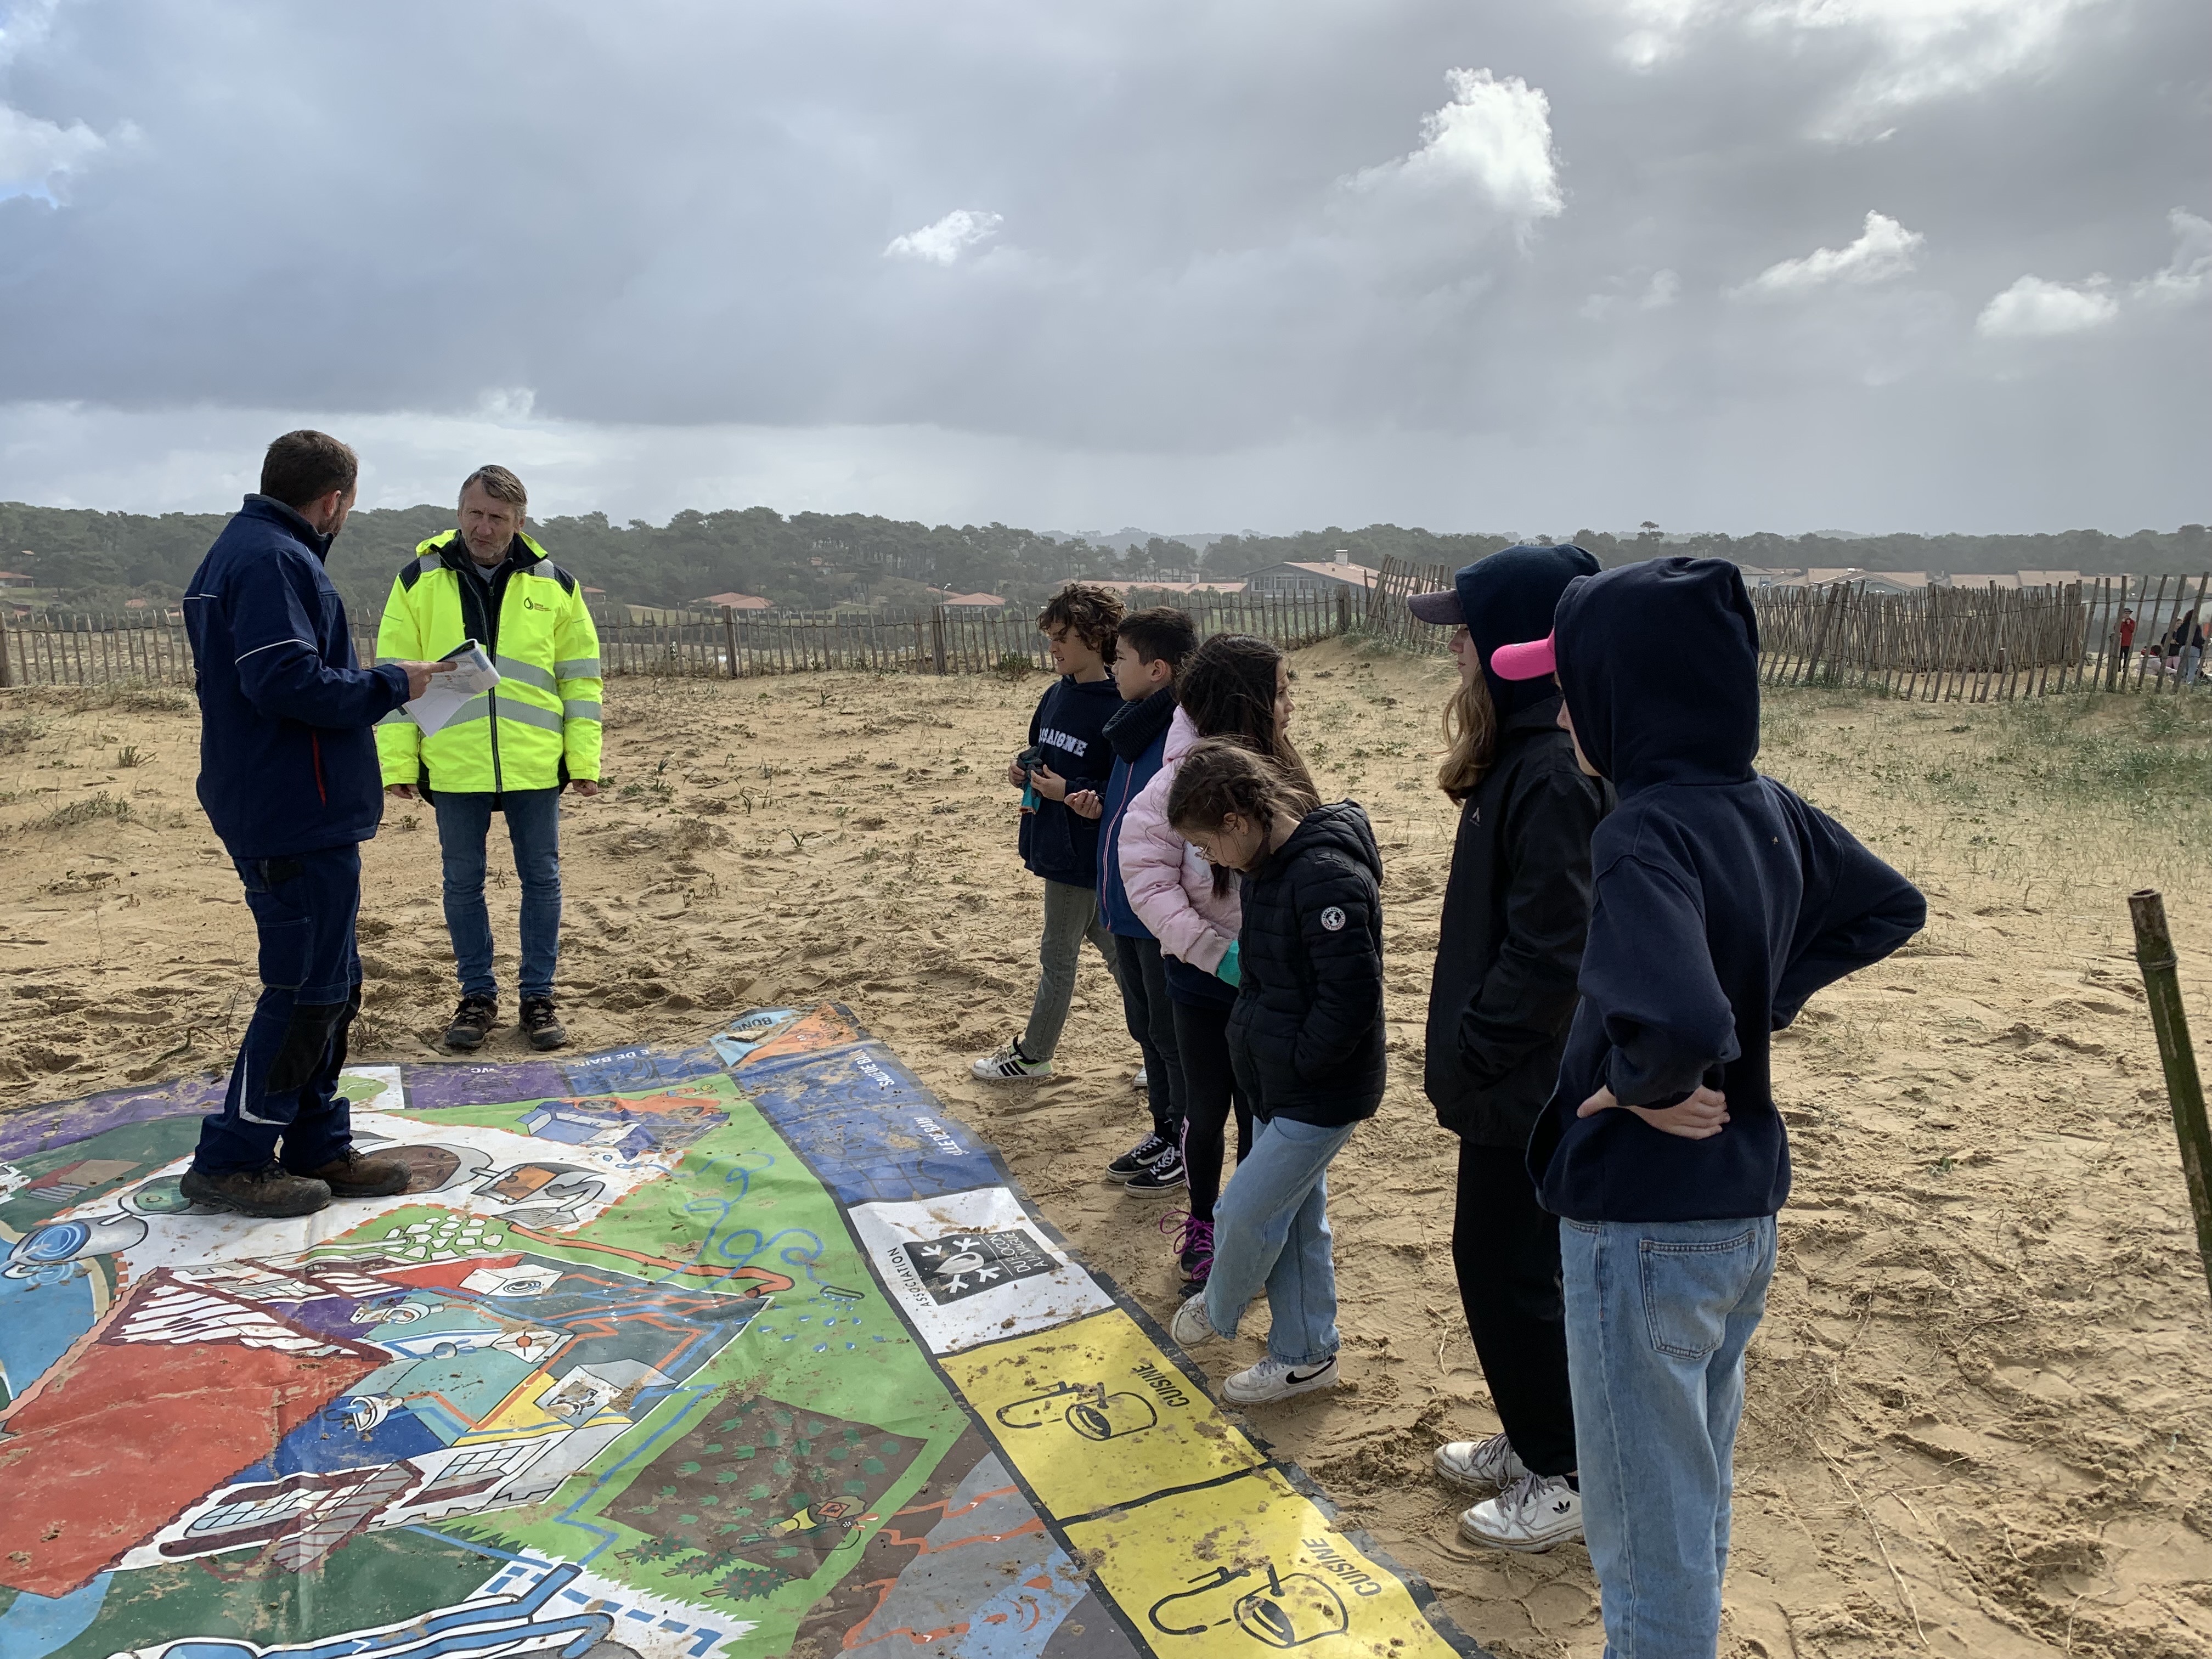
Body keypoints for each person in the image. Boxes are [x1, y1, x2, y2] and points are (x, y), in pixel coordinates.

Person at [1489, 557, 1925, 1657]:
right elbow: (1887, 906)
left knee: (1647, 1531)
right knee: (1691, 1493)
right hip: (1739, 1213)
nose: (1563, 713)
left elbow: (1679, 1018)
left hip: (1642, 1222)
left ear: (1624, 698)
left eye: (1574, 689)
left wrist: (1644, 1080)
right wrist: (1756, 998)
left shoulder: (1638, 831)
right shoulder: (1764, 805)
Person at [178, 431, 455, 1218]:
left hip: (296, 803)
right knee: (304, 987)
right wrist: (389, 684)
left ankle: (315, 1143)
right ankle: (233, 1158)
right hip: (290, 807)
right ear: (333, 500)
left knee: (333, 984)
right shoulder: (270, 558)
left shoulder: (254, 551)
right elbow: (284, 680)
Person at [1407, 546, 1608, 1554]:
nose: (1454, 642)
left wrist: (1477, 1048)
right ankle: (1538, 1435)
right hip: (1509, 1077)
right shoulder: (1521, 756)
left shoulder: (1550, 772)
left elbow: (1553, 949)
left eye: (1468, 625)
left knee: (1505, 1270)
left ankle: (1565, 1468)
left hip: (1527, 1082)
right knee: (1510, 1266)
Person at [1166, 740, 1383, 1406]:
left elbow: (1350, 1001)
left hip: (1315, 1091)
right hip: (1274, 1078)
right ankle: (1305, 1354)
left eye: (1207, 845)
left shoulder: (1324, 879)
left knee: (1246, 1210)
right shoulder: (1266, 868)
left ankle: (1219, 1306)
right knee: (1297, 1219)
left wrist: (1298, 1064)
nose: (1209, 859)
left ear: (1237, 820)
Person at [376, 466, 604, 1052]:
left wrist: (584, 760)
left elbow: (580, 678)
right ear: (459, 513)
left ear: (519, 522)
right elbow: (395, 674)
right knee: (462, 882)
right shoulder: (417, 580)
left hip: (535, 762)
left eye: (497, 518)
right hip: (454, 760)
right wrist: (398, 764)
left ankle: (538, 998)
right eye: (474, 514)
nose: (483, 528)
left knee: (542, 879)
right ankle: (476, 997)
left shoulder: (557, 585)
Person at [1121, 634, 1310, 1294]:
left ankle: (1247, 1231)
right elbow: (1147, 879)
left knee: (1264, 1114)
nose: (1290, 705)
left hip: (1272, 985)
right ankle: (1203, 1223)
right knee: (1206, 1110)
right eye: (1280, 693)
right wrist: (1213, 952)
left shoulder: (1286, 777)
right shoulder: (1174, 784)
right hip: (1202, 982)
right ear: (1246, 700)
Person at [970, 583, 1126, 1082]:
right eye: (1051, 637)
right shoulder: (1056, 694)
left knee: (1057, 957)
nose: (1053, 647)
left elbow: (1123, 786)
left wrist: (1070, 791)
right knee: (1117, 951)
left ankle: (1034, 1055)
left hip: (1079, 855)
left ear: (1095, 638)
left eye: (1063, 637)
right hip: (1054, 843)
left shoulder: (1117, 705)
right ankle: (1167, 1048)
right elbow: (1040, 749)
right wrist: (1022, 769)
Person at [1096, 607, 1201, 1195]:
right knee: (1146, 1028)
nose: (1113, 668)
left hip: (1158, 915)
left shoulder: (1180, 737)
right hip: (1124, 904)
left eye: (1121, 658)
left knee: (1172, 1035)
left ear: (1158, 669)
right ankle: (1163, 1130)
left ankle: (1187, 1141)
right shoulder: (1131, 731)